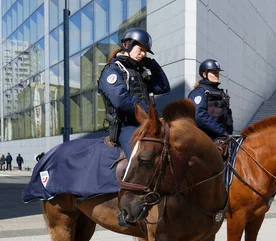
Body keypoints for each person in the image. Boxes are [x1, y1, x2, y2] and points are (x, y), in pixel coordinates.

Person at [97, 28, 170, 158]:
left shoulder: (139, 71)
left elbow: (163, 87)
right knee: (141, 160)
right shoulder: (113, 70)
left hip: (146, 123)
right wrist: (150, 113)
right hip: (126, 127)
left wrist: (152, 64)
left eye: (145, 52)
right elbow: (122, 100)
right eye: (141, 50)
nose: (143, 54)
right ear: (127, 45)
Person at [188, 59, 234, 140]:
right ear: (204, 74)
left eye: (217, 72)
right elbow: (199, 116)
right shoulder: (199, 92)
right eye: (213, 72)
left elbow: (227, 116)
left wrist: (228, 134)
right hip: (206, 140)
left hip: (223, 139)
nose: (217, 75)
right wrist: (222, 132)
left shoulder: (220, 92)